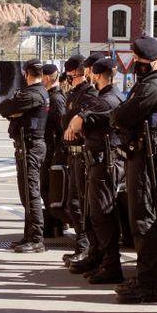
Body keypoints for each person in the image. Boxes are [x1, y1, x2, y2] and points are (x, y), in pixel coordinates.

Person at [95, 36, 157, 303]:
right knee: (143, 220)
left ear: (151, 61)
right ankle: (147, 280)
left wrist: (121, 118)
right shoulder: (149, 84)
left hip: (148, 161)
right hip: (141, 157)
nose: (135, 66)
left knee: (144, 221)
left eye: (139, 61)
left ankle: (147, 285)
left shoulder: (154, 86)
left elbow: (123, 114)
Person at [65, 56, 124, 282]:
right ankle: (99, 257)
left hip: (104, 162)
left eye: (90, 72)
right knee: (93, 214)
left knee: (102, 216)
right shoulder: (105, 97)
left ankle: (111, 265)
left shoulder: (107, 99)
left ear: (97, 75)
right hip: (96, 161)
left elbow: (78, 123)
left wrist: (76, 121)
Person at [0, 59, 50, 253]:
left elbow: (5, 108)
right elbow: (7, 108)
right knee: (26, 194)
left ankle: (36, 238)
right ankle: (29, 235)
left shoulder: (35, 93)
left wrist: (14, 111)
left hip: (31, 147)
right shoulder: (35, 93)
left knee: (31, 194)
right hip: (26, 146)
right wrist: (14, 111)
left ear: (27, 73)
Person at [61, 54, 99, 269]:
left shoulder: (89, 93)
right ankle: (81, 245)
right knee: (73, 203)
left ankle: (86, 248)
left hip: (83, 153)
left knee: (82, 204)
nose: (71, 80)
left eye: (73, 76)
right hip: (72, 152)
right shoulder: (74, 93)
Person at [41, 63, 67, 238]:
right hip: (50, 149)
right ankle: (54, 223)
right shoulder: (51, 96)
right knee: (47, 189)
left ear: (50, 77)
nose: (41, 80)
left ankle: (54, 224)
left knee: (49, 189)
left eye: (43, 76)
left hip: (53, 150)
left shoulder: (56, 99)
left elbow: (60, 128)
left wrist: (58, 152)